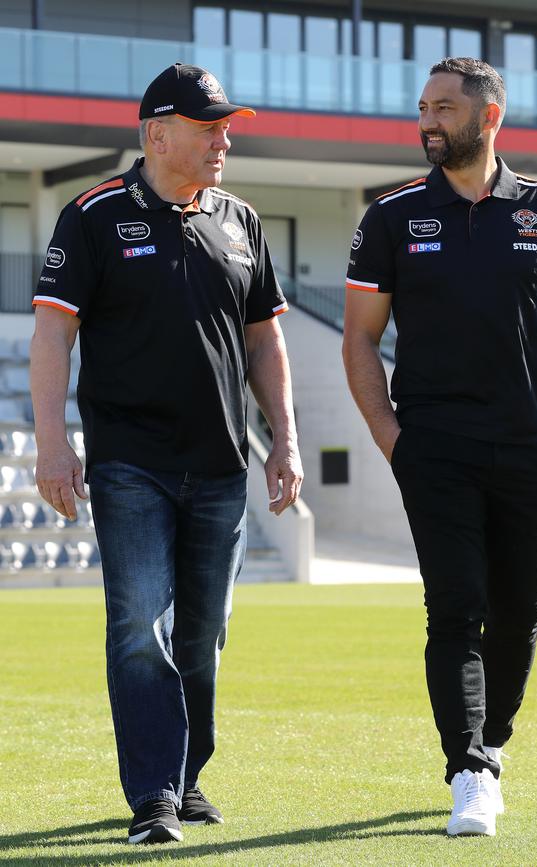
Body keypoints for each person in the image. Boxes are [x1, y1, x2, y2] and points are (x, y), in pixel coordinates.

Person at [30, 62, 303, 845]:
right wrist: (54, 445)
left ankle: (186, 778)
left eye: (227, 126)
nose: (224, 139)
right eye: (208, 125)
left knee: (203, 633)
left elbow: (266, 340)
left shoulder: (242, 221)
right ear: (156, 134)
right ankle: (152, 791)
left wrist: (284, 439)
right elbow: (53, 332)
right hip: (129, 463)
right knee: (138, 625)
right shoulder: (91, 216)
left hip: (222, 464)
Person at [342, 57, 537, 837]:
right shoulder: (388, 218)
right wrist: (394, 442)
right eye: (423, 106)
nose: (428, 120)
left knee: (521, 613)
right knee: (456, 605)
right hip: (435, 449)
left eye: (445, 107)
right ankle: (468, 768)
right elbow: (359, 341)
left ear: (489, 117)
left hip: (528, 449)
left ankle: (492, 742)